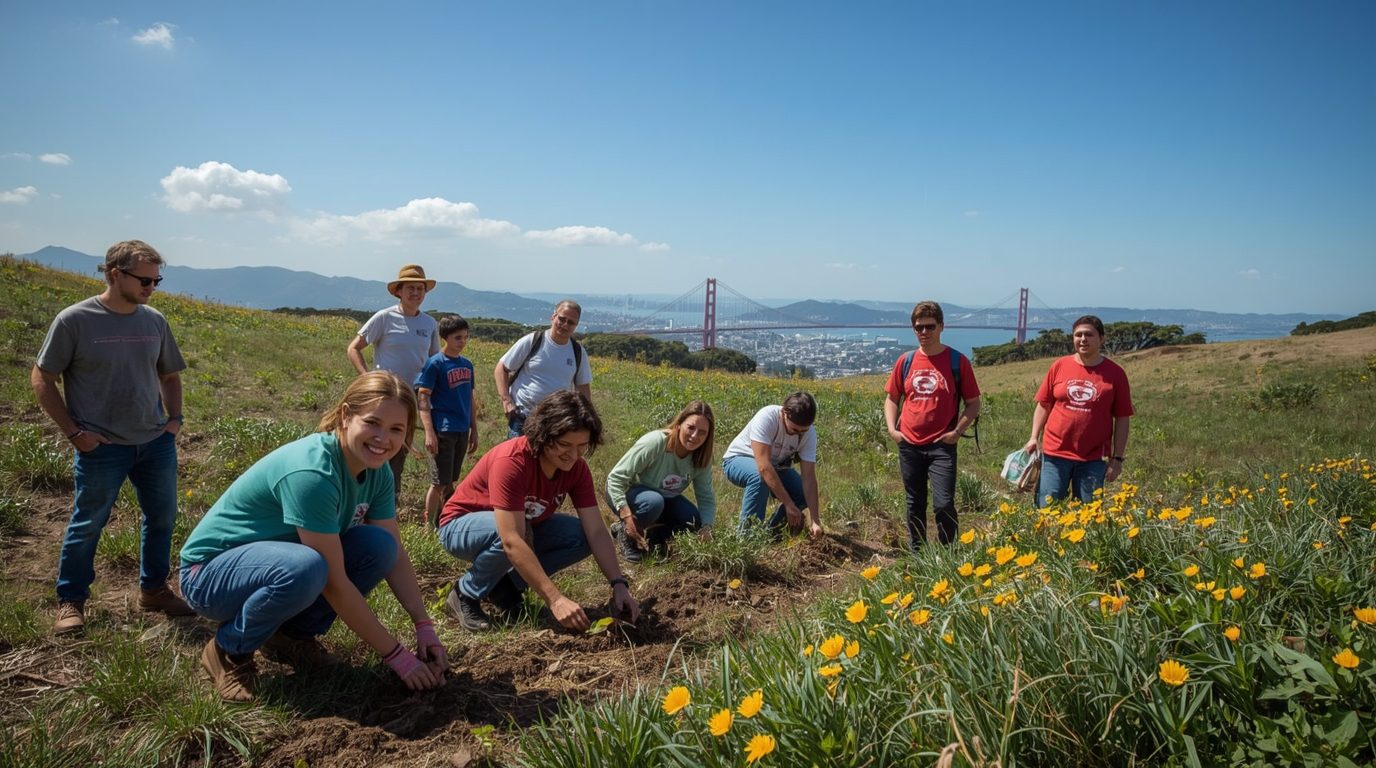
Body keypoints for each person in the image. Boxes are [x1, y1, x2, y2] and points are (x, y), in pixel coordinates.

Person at [178, 372, 449, 702]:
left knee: (380, 547)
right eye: (373, 422)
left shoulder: (377, 471)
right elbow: (335, 584)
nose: (383, 438)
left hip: (279, 563)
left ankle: (290, 638)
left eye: (396, 429)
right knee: (307, 567)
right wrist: (396, 656)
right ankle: (228, 650)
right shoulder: (314, 473)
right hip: (208, 575)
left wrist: (424, 625)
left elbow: (396, 556)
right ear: (346, 415)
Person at [32, 239, 193, 636]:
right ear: (113, 273)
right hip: (101, 447)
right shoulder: (74, 320)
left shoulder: (153, 320)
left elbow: (169, 375)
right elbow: (42, 377)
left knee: (162, 518)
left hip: (154, 442)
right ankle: (71, 600)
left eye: (157, 281)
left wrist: (174, 421)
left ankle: (153, 589)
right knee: (88, 522)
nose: (151, 288)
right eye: (144, 280)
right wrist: (74, 433)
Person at [437, 390, 639, 632]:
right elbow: (511, 539)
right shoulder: (511, 461)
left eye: (582, 446)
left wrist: (618, 583)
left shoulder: (576, 469)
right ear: (544, 434)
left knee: (581, 536)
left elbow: (596, 530)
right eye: (564, 445)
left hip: (522, 528)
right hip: (460, 526)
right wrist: (555, 599)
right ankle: (465, 593)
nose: (573, 455)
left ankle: (506, 588)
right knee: (512, 535)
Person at [883, 301, 982, 549]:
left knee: (943, 503)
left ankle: (948, 552)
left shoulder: (958, 362)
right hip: (909, 443)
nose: (924, 332)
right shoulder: (905, 361)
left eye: (929, 326)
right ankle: (918, 553)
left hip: (942, 444)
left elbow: (973, 403)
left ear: (941, 327)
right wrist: (893, 430)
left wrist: (957, 432)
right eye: (918, 328)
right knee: (914, 501)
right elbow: (892, 398)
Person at [346, 264, 440, 510]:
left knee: (398, 452)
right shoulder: (384, 317)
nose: (416, 293)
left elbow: (433, 362)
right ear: (399, 291)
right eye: (410, 288)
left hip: (411, 399)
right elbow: (353, 348)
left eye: (420, 288)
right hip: (382, 396)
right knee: (371, 445)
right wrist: (367, 379)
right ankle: (358, 498)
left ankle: (388, 503)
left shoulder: (430, 324)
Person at [1024, 315, 1134, 507]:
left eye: (1089, 335)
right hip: (1054, 454)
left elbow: (1123, 418)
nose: (1083, 339)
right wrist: (1034, 436)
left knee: (1088, 515)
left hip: (1093, 458)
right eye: (1078, 335)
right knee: (1047, 510)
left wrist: (1117, 458)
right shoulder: (1059, 366)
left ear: (1101, 338)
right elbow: (1044, 404)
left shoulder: (1115, 374)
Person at [606, 400, 718, 563]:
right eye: (691, 427)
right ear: (679, 424)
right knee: (653, 502)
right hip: (629, 493)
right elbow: (614, 479)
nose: (695, 436)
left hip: (664, 499)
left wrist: (707, 527)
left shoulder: (701, 457)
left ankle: (657, 538)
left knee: (693, 520)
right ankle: (626, 533)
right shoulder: (656, 442)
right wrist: (626, 514)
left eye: (702, 432)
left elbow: (706, 497)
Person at [722, 392, 823, 537]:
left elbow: (809, 477)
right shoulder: (767, 417)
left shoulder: (809, 433)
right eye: (795, 429)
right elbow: (764, 466)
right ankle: (747, 538)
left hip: (775, 467)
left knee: (802, 493)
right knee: (759, 477)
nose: (798, 434)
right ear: (783, 413)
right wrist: (788, 503)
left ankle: (772, 534)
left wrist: (815, 520)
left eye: (803, 431)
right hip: (738, 459)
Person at [493, 300, 592, 439]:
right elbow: (501, 368)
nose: (564, 325)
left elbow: (583, 387)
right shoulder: (533, 341)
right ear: (553, 317)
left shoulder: (578, 352)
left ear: (576, 326)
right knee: (518, 460)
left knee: (547, 461)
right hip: (523, 418)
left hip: (557, 422)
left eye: (571, 322)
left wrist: (585, 418)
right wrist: (506, 401)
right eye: (562, 319)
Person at [415, 314, 479, 528]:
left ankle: (445, 518)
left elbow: (470, 399)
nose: (462, 342)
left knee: (451, 480)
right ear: (445, 338)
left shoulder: (468, 365)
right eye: (457, 338)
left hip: (462, 429)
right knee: (438, 482)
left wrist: (474, 429)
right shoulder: (435, 364)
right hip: (443, 429)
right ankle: (429, 523)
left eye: (465, 337)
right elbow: (423, 396)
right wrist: (429, 432)